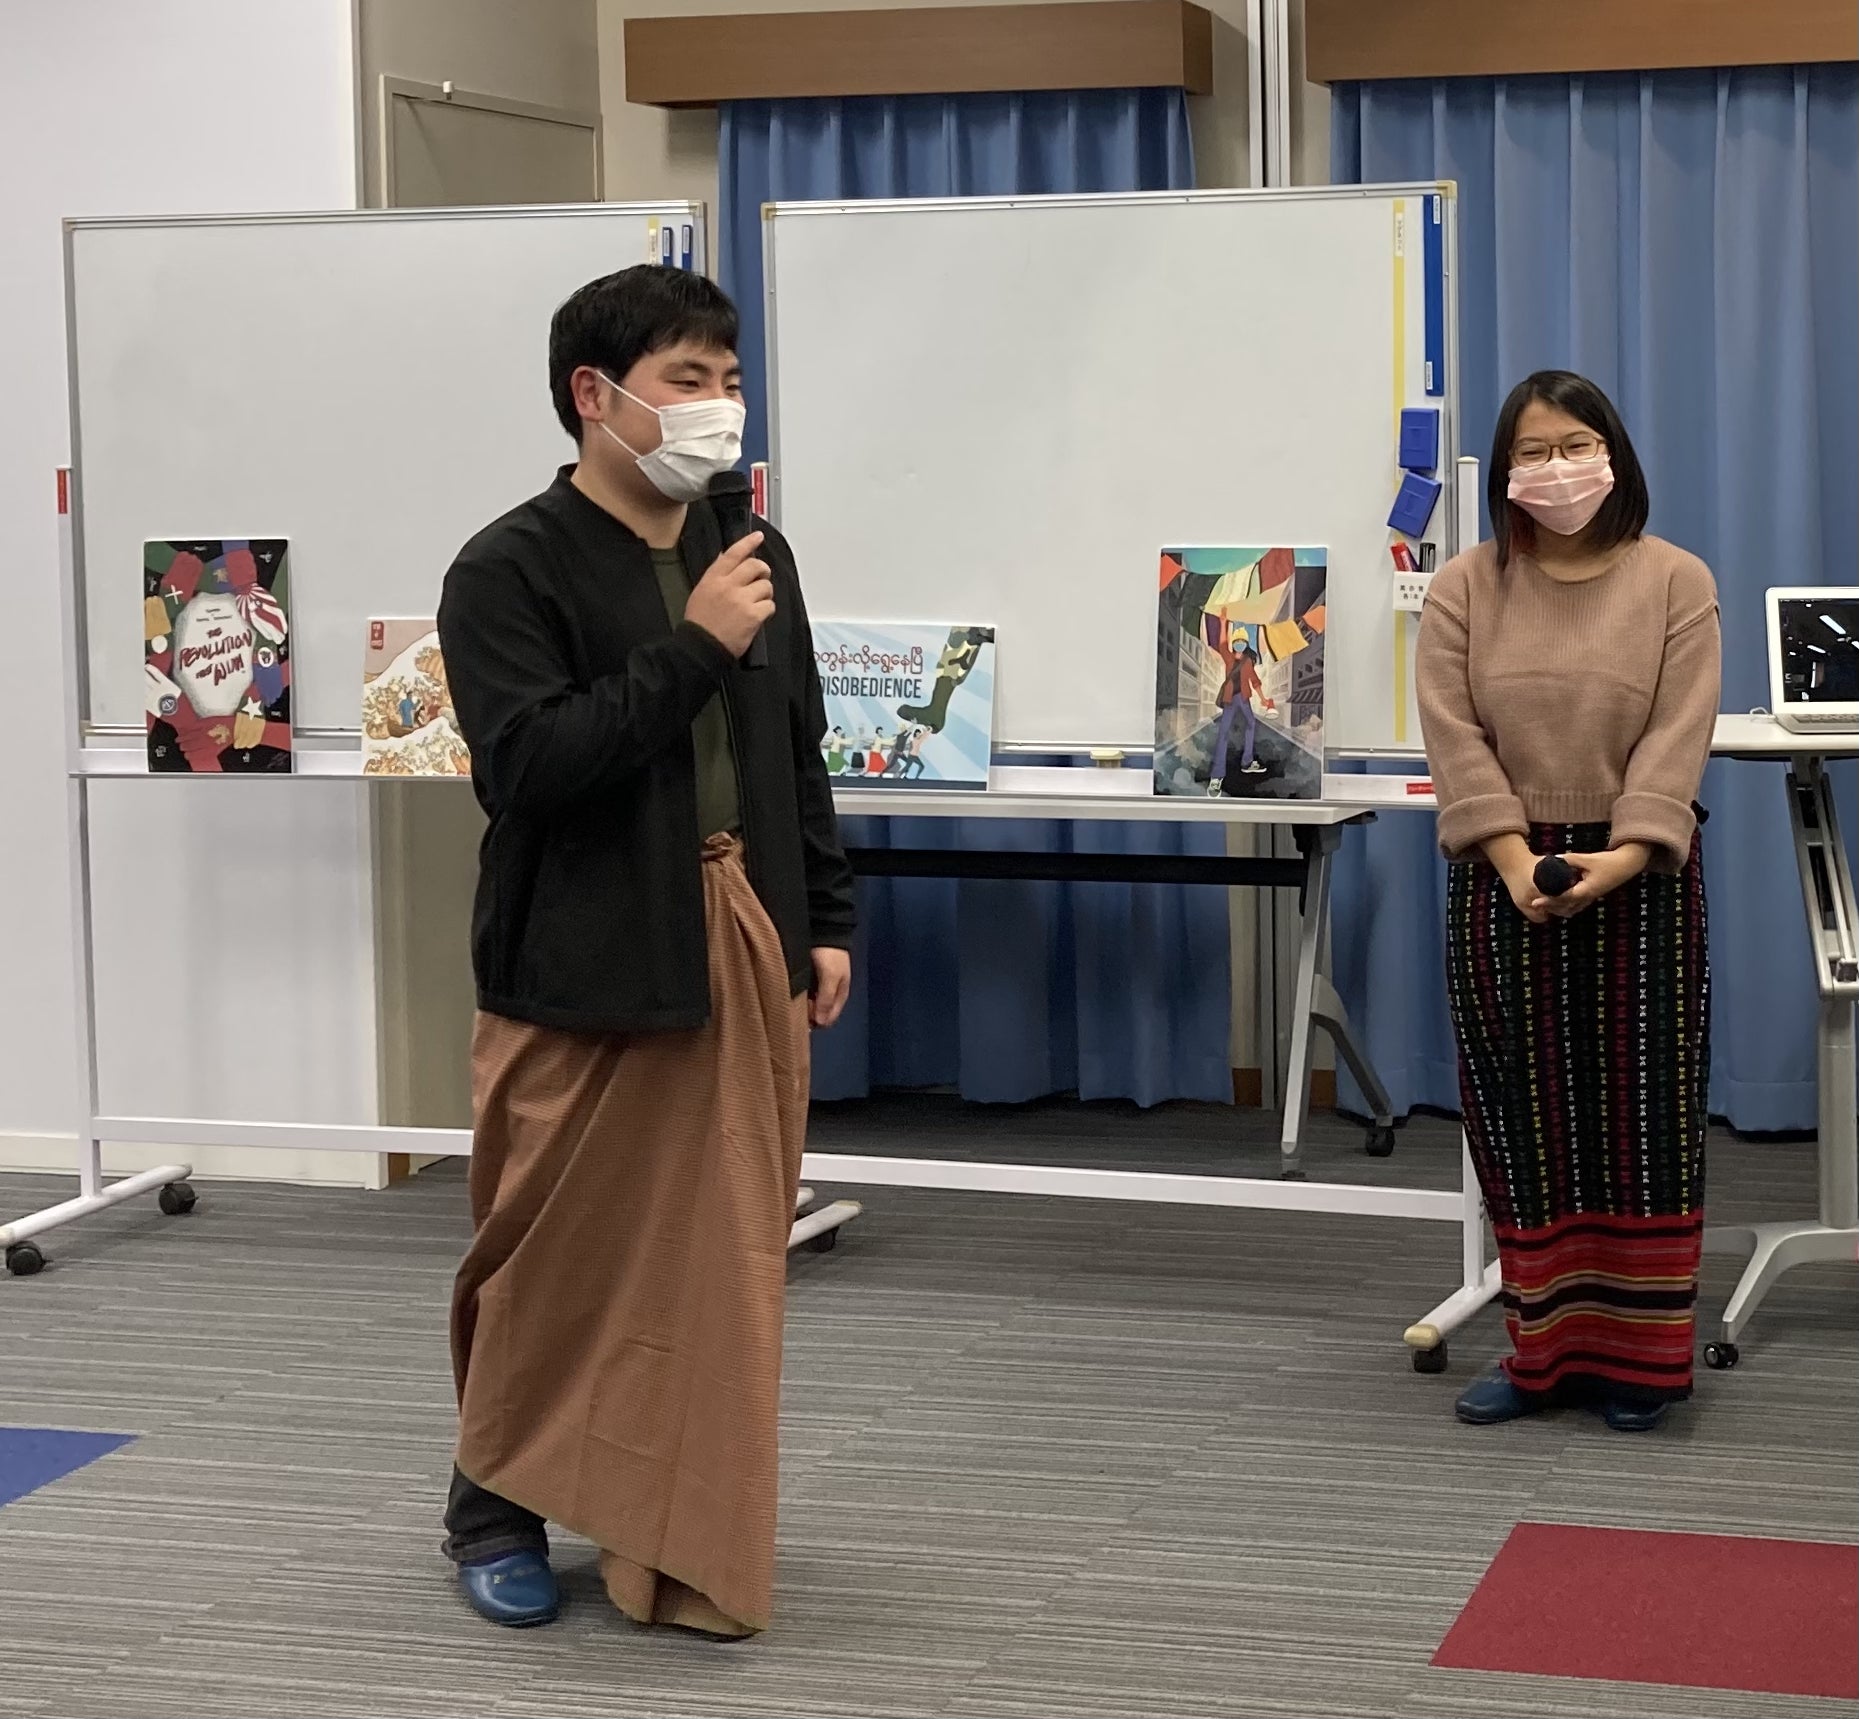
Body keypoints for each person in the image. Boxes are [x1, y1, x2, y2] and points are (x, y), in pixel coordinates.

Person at [435, 266, 856, 1636]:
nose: (719, 406)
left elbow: (793, 748)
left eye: (729, 379)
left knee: (707, 1268)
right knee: (550, 1257)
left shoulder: (752, 549)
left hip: (737, 929)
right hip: (579, 957)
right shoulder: (507, 566)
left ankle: (663, 1534)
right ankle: (492, 1505)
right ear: (593, 395)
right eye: (687, 379)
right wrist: (690, 648)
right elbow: (528, 766)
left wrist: (824, 918)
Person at [1415, 370, 1719, 1433]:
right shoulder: (1465, 587)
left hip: (1642, 880)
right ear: (1505, 470)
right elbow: (1453, 735)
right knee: (1522, 1123)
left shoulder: (1675, 579)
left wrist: (1622, 856)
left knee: (1641, 1123)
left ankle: (1642, 1365)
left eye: (1575, 445)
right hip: (1501, 875)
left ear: (1613, 455)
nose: (1557, 469)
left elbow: (1678, 732)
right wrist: (1513, 860)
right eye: (1533, 451)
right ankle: (1540, 1355)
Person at [1207, 642, 1272, 794]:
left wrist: (1263, 699)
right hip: (1230, 699)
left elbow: (1254, 681)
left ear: (1246, 645)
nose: (1239, 644)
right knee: (1224, 732)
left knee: (1251, 722)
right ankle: (1216, 776)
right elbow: (1222, 645)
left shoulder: (1248, 661)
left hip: (1243, 698)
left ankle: (1247, 762)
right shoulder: (1228, 657)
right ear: (1233, 643)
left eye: (1242, 641)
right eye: (1237, 641)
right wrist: (1223, 627)